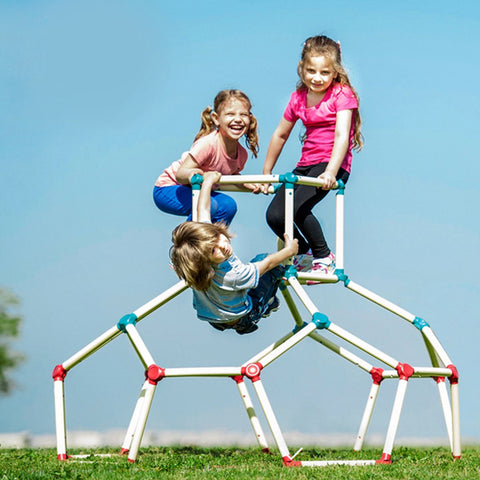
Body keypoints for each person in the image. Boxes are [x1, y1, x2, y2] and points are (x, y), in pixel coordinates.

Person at [262, 35, 363, 276]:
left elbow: (341, 136)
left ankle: (323, 255)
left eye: (324, 72)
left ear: (335, 72)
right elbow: (280, 134)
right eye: (311, 71)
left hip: (333, 165)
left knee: (297, 209)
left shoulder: (341, 94)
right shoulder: (298, 98)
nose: (316, 78)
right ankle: (304, 251)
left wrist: (330, 171)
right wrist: (266, 172)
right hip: (306, 164)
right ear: (302, 68)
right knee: (275, 216)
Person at [170, 171, 299, 334]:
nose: (222, 245)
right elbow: (267, 265)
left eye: (218, 237)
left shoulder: (198, 262)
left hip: (212, 318)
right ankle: (268, 303)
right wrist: (289, 251)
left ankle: (251, 302)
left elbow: (203, 210)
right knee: (270, 264)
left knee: (255, 265)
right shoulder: (233, 275)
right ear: (204, 259)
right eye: (213, 250)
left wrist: (208, 183)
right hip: (243, 318)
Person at [154, 89, 261, 226]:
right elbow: (181, 174)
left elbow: (231, 174)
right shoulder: (208, 144)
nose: (238, 119)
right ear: (216, 119)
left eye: (243, 115)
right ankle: (191, 241)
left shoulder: (241, 154)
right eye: (230, 114)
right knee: (210, 205)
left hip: (198, 190)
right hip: (169, 187)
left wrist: (249, 183)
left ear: (250, 119)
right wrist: (197, 174)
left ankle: (213, 243)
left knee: (228, 206)